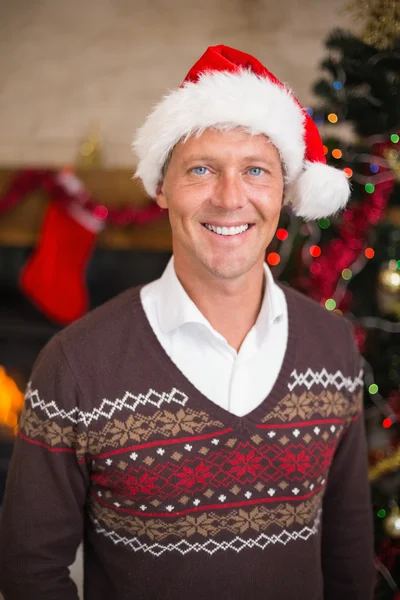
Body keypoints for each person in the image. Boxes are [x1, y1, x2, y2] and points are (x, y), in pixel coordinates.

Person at [0, 44, 375, 600]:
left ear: (284, 193)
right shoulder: (77, 364)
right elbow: (28, 572)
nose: (230, 198)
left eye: (255, 170)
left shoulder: (332, 345)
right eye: (201, 169)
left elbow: (348, 557)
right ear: (161, 187)